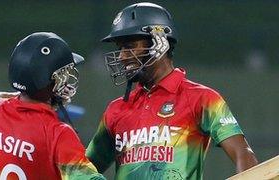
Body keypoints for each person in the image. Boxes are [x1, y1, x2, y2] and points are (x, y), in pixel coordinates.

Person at [86, 2, 258, 180]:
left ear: (159, 43)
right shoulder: (115, 110)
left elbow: (242, 153)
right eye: (120, 48)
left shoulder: (201, 98)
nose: (122, 56)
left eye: (130, 46)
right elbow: (82, 170)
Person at [0, 32, 105, 180]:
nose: (65, 81)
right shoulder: (58, 134)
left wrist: (29, 91)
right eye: (62, 75)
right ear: (47, 80)